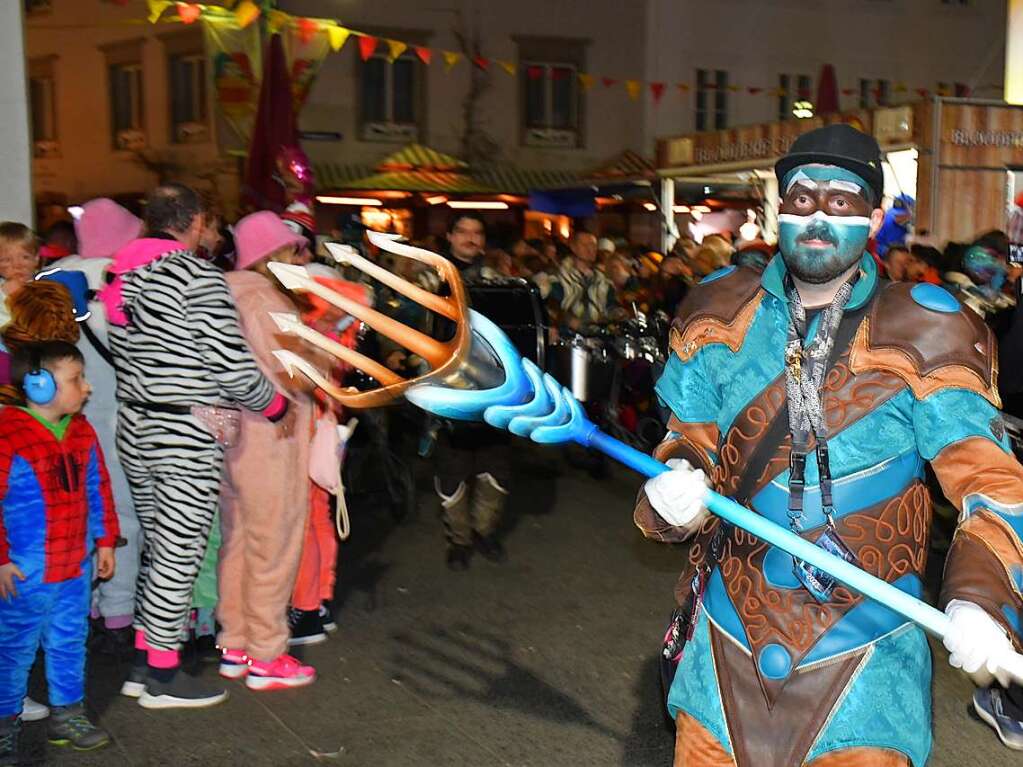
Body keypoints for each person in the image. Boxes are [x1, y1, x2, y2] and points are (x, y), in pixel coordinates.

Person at [636, 123, 1023, 766]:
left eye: (840, 202)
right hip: (725, 644)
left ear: (873, 215)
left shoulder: (928, 331)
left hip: (863, 660)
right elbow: (690, 438)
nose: (817, 217)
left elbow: (992, 484)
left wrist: (980, 599)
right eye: (801, 199)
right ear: (780, 210)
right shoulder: (716, 316)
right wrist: (678, 478)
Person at [105, 184, 286, 710]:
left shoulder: (120, 272)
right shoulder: (194, 274)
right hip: (184, 429)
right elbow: (230, 362)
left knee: (159, 548)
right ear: (197, 220)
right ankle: (163, 674)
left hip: (136, 424)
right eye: (212, 224)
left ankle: (144, 661)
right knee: (179, 552)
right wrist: (272, 404)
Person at [0, 341, 120, 760]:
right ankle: (3, 723)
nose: (86, 388)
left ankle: (66, 714)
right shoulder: (9, 432)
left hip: (74, 567)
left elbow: (98, 488)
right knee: (13, 650)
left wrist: (104, 540)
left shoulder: (82, 430)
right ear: (38, 385)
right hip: (24, 572)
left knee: (70, 641)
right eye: (76, 380)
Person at [216, 211, 321, 689]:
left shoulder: (221, 293)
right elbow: (294, 369)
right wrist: (324, 350)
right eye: (290, 249)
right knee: (274, 543)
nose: (297, 256)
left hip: (229, 434)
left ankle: (235, 643)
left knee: (237, 540)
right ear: (272, 255)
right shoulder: (265, 298)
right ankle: (266, 655)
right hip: (271, 433)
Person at [49, 199, 144, 651]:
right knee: (120, 517)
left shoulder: (50, 285)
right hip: (118, 423)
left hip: (62, 425)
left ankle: (76, 613)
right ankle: (117, 615)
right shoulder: (127, 282)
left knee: (71, 520)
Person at [434, 213, 512, 570]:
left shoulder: (499, 280)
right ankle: (460, 540)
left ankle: (483, 532)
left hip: (494, 386)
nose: (470, 238)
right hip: (446, 386)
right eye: (462, 231)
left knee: (496, 466)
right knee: (453, 467)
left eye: (477, 232)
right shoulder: (428, 277)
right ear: (449, 236)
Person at [534, 230, 617, 332]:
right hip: (565, 336)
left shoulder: (603, 280)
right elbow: (541, 304)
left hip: (597, 335)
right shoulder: (554, 277)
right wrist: (564, 318)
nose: (590, 249)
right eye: (584, 245)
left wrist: (617, 313)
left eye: (593, 245)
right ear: (573, 247)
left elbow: (610, 306)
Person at [0, 223, 40, 329]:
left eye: (25, 257)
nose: (17, 265)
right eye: (6, 260)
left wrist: (20, 297)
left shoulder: (45, 288)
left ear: (36, 258)